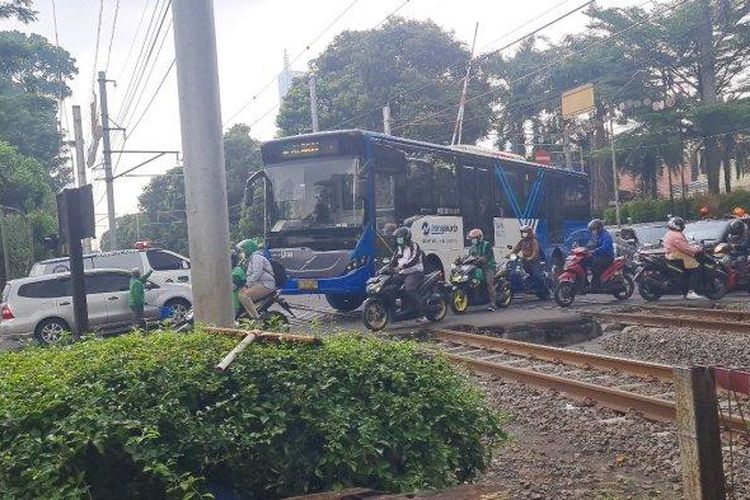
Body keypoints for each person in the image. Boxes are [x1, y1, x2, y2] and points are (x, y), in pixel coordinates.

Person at [237, 239, 276, 319]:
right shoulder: (252, 258)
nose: (242, 253)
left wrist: (247, 285)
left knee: (243, 295)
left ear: (249, 248)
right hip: (260, 283)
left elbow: (256, 274)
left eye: (243, 250)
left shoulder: (256, 257)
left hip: (266, 284)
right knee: (240, 292)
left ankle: (255, 318)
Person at [390, 226, 425, 317]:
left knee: (409, 288)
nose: (399, 240)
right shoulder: (399, 248)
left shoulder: (414, 246)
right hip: (403, 273)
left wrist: (402, 267)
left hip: (415, 272)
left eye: (400, 238)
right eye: (398, 238)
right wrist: (388, 267)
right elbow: (394, 259)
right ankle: (399, 306)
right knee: (389, 283)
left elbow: (414, 260)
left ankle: (420, 310)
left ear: (406, 237)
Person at [663, 217, 701, 297]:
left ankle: (685, 292)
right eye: (681, 224)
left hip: (671, 255)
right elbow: (685, 248)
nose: (683, 226)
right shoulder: (676, 235)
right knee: (696, 269)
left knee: (687, 272)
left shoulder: (669, 233)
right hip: (678, 255)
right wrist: (696, 249)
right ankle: (691, 291)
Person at [467, 228, 497, 311]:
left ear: (479, 238)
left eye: (474, 238)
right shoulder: (472, 248)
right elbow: (469, 257)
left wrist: (480, 259)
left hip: (488, 267)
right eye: (472, 238)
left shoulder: (487, 245)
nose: (473, 240)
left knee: (489, 283)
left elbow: (486, 257)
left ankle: (493, 303)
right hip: (477, 267)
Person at [512, 225, 546, 295]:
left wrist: (531, 257)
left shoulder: (534, 241)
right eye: (522, 232)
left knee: (537, 275)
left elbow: (535, 251)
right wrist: (510, 255)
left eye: (525, 232)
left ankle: (545, 289)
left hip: (534, 261)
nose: (524, 234)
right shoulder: (522, 241)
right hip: (524, 261)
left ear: (529, 232)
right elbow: (516, 250)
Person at [585, 219, 614, 288]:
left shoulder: (606, 235)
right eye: (592, 229)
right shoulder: (595, 236)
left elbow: (605, 247)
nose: (593, 231)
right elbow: (589, 244)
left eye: (594, 229)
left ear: (599, 228)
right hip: (597, 256)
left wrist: (594, 251)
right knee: (584, 261)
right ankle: (584, 282)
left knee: (595, 264)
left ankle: (596, 284)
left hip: (607, 257)